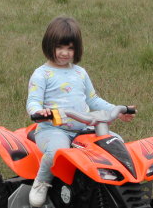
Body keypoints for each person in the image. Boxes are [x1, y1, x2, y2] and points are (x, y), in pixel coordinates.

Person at [26, 16, 135, 207]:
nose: (65, 53)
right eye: (60, 47)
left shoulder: (80, 73)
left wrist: (116, 111)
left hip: (84, 128)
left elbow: (93, 99)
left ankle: (118, 186)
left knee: (116, 143)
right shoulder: (41, 74)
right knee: (57, 151)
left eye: (70, 48)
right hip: (54, 129)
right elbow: (33, 101)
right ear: (49, 45)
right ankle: (42, 182)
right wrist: (39, 112)